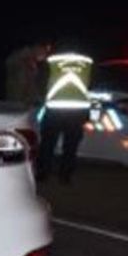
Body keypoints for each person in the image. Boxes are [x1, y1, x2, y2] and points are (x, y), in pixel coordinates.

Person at [36, 51, 94, 184]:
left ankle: (43, 173)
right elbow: (91, 85)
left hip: (54, 109)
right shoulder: (87, 62)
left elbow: (40, 82)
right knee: (71, 146)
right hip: (78, 110)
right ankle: (65, 176)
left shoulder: (52, 60)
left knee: (48, 143)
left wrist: (42, 98)